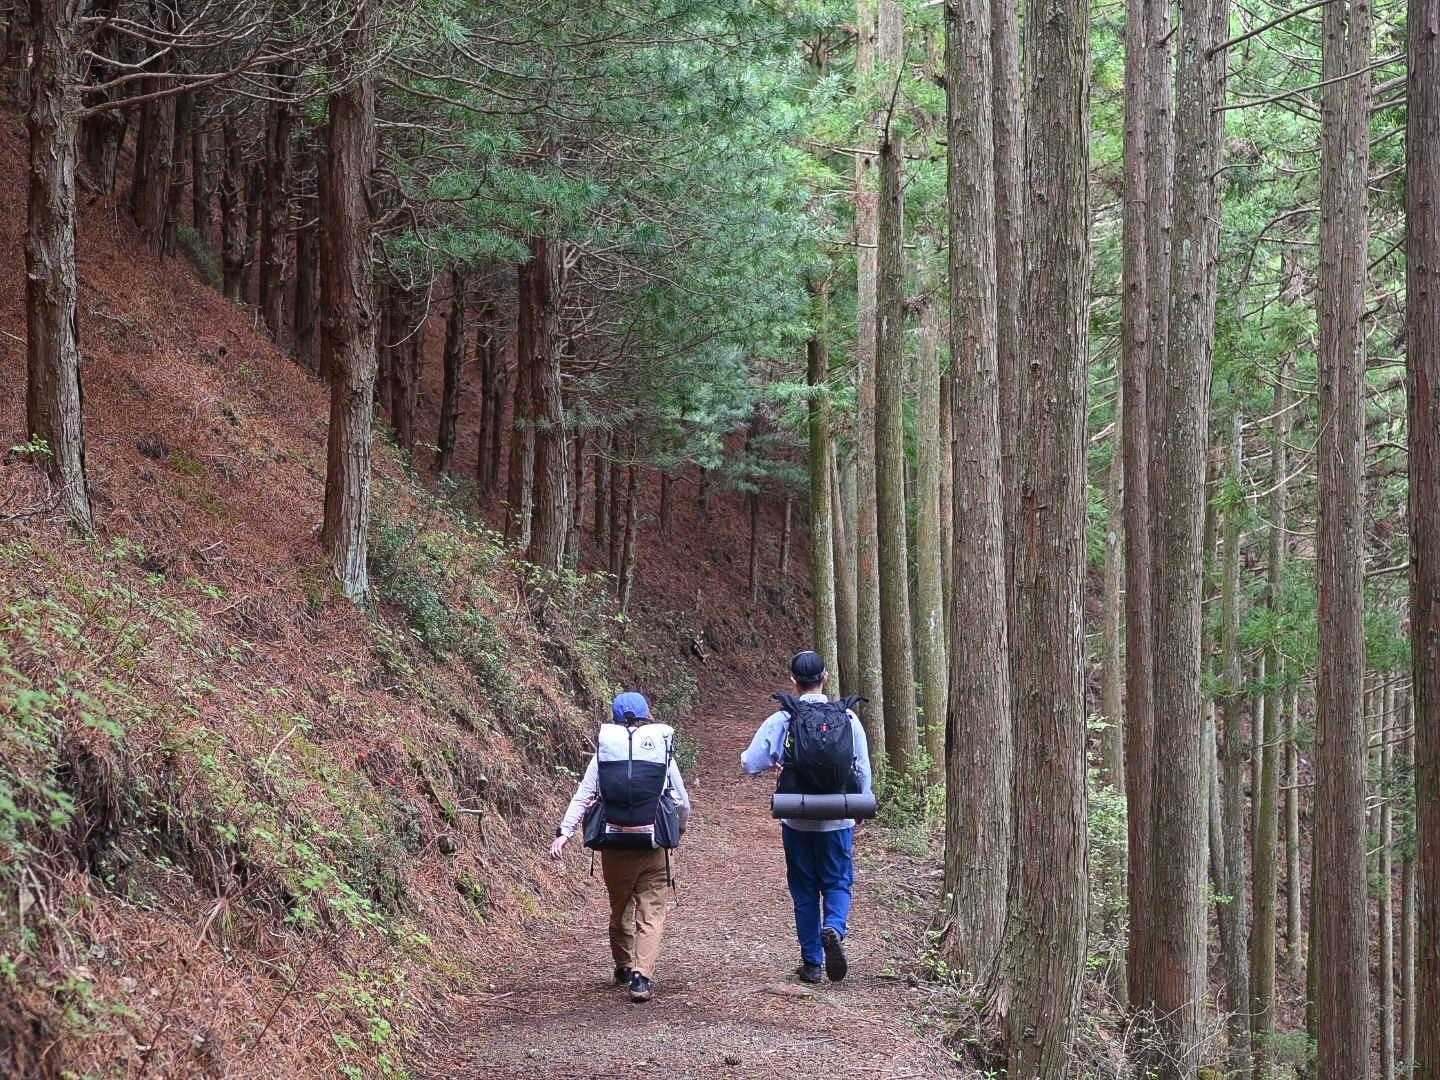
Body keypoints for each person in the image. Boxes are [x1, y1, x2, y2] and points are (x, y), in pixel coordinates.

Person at [550, 691, 691, 1003]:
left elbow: (584, 795)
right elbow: (682, 802)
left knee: (620, 906)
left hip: (614, 846)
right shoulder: (661, 753)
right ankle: (642, 977)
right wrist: (677, 832)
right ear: (646, 716)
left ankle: (624, 965)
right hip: (653, 845)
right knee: (651, 913)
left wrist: (565, 832)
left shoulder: (605, 755)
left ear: (615, 719)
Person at [740, 651, 872, 984]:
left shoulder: (784, 718)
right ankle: (834, 928)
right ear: (825, 677)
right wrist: (860, 805)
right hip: (838, 817)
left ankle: (812, 963)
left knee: (804, 890)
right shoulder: (848, 718)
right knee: (838, 881)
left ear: (793, 681)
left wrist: (779, 760)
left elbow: (750, 762)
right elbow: (862, 768)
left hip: (796, 817)